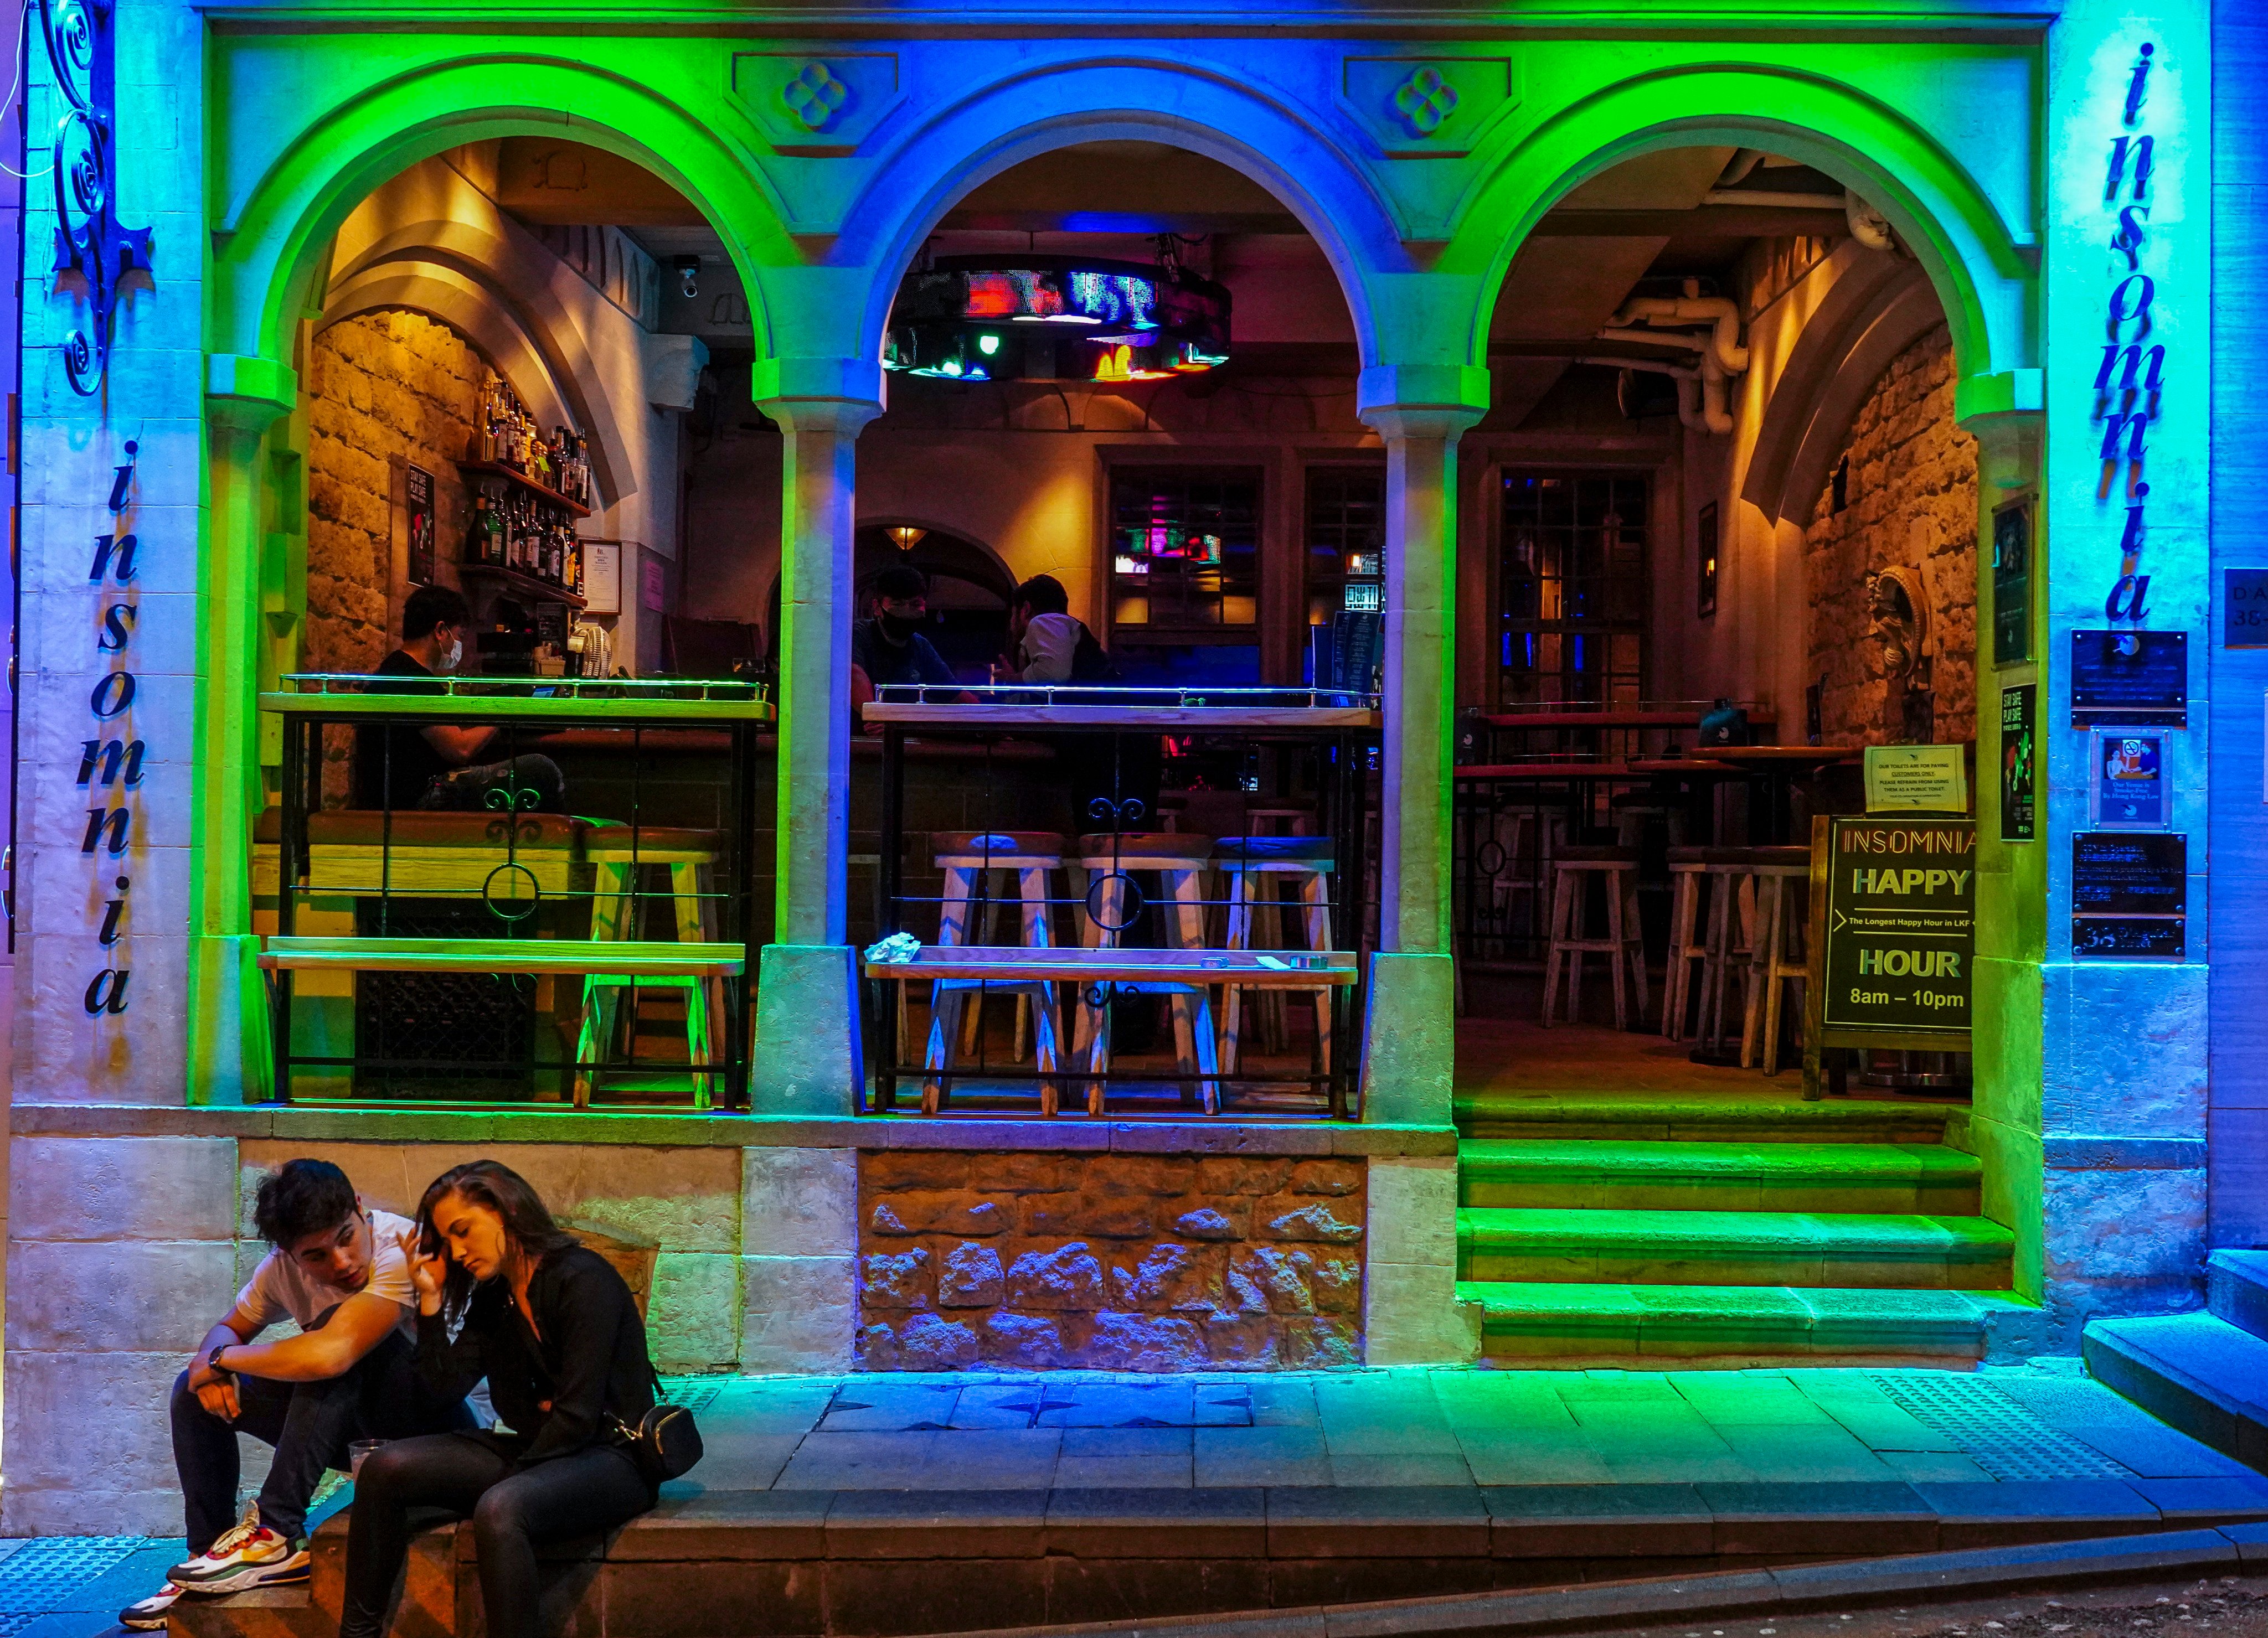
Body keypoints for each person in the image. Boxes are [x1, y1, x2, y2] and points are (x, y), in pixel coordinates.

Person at [120, 1161, 473, 1630]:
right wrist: (209, 1367)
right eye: (317, 1256)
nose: (342, 1262)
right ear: (290, 1255)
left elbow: (332, 1355)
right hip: (358, 1429)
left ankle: (278, 1529)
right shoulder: (280, 1270)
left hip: (439, 1434)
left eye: (346, 1237)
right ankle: (206, 1563)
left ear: (361, 1209)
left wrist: (222, 1359)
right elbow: (228, 1328)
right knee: (191, 1391)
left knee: (332, 1339)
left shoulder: (399, 1248)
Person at [339, 1162, 664, 1638]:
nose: (457, 1251)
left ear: (507, 1210)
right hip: (543, 1452)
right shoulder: (497, 1297)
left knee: (501, 1507)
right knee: (387, 1467)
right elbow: (440, 1393)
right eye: (447, 1241)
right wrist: (429, 1302)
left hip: (615, 1459)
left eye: (463, 1231)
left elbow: (577, 1416)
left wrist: (520, 1453)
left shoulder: (583, 1280)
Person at [352, 585, 562, 812]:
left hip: (403, 793)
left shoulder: (399, 668)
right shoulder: (410, 678)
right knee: (541, 770)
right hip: (417, 797)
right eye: (460, 635)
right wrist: (508, 707)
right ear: (441, 631)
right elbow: (459, 749)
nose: (458, 645)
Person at [850, 564, 958, 690]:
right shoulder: (859, 634)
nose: (906, 612)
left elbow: (954, 692)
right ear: (877, 607)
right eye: (898, 604)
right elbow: (853, 676)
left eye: (915, 604)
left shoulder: (921, 646)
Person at [997, 573, 1110, 684]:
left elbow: (1052, 676)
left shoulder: (1045, 621)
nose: (1011, 622)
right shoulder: (1060, 628)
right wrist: (1016, 679)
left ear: (1026, 609)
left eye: (1013, 614)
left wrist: (1014, 678)